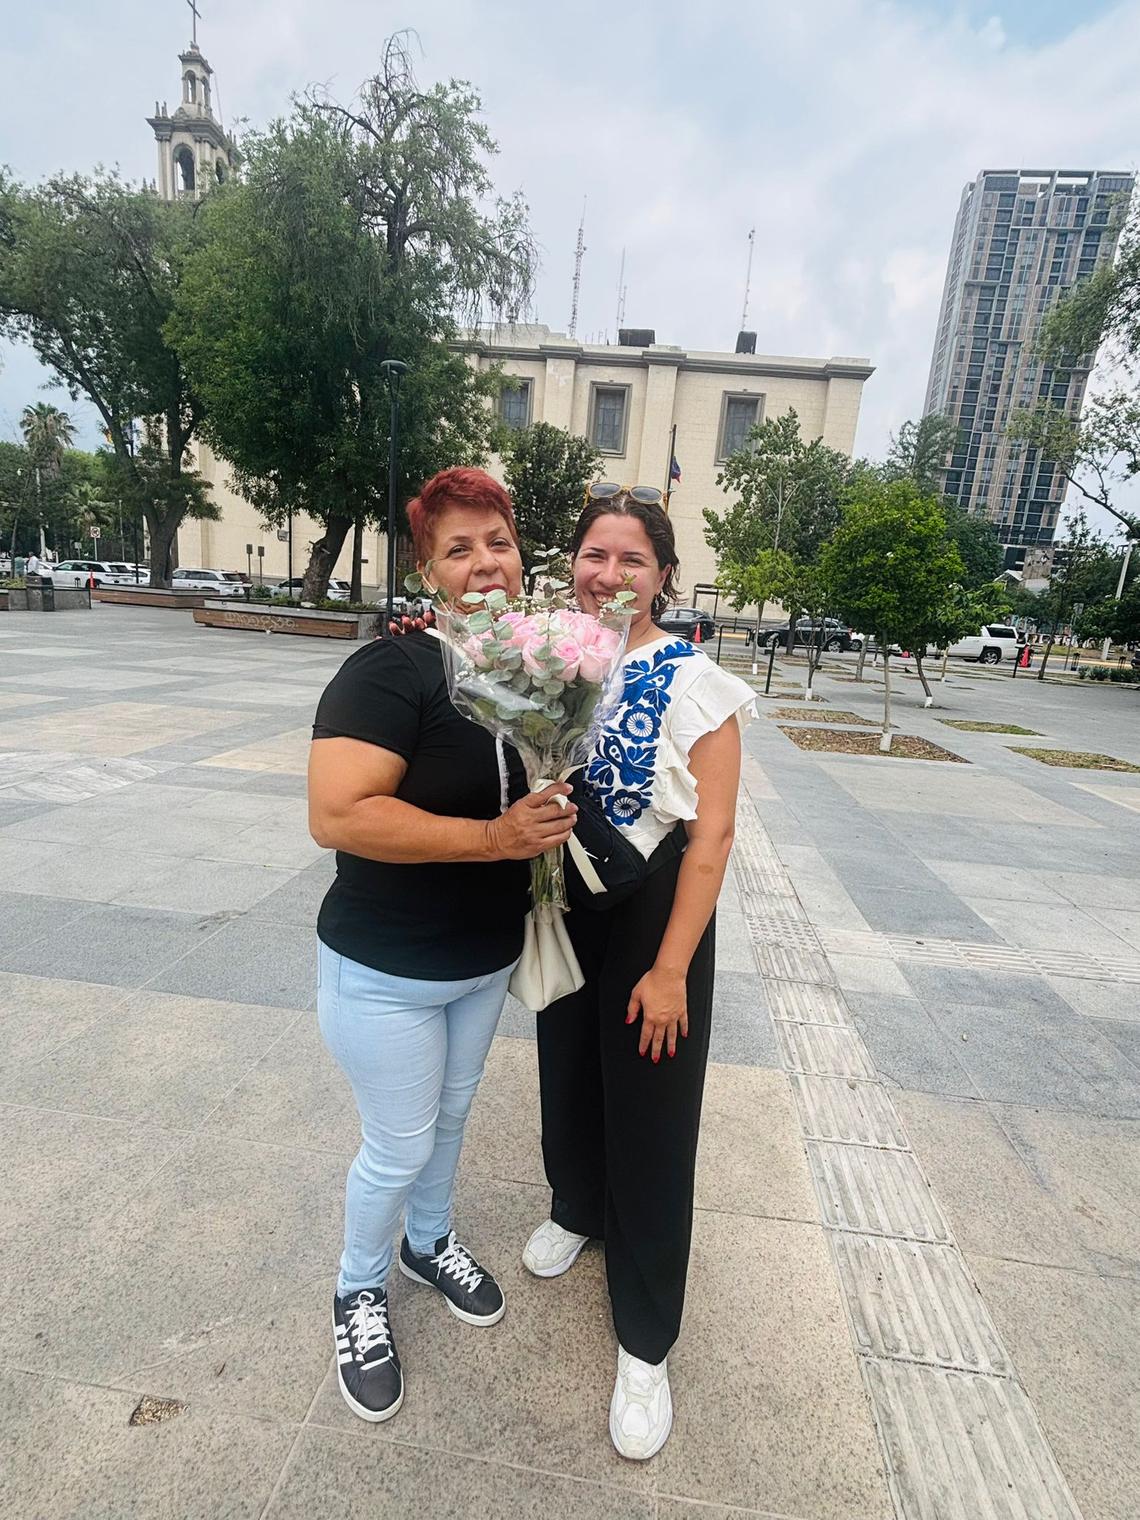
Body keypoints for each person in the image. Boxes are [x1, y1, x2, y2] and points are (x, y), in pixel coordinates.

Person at [308, 467, 576, 1425]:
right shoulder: (395, 670)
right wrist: (493, 841)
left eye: (496, 542)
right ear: (428, 570)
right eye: (457, 549)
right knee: (397, 1142)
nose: (484, 563)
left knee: (452, 1120)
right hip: (385, 969)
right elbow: (337, 814)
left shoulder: (531, 672)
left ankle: (429, 1242)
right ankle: (358, 1290)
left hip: (482, 962)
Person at [522, 485, 754, 1461]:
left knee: (653, 1108)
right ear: (572, 563)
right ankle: (577, 1203)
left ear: (663, 573)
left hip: (657, 909)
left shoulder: (699, 682)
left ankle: (646, 1341)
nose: (608, 573)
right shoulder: (555, 658)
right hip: (564, 894)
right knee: (565, 1066)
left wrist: (671, 968)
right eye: (593, 555)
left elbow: (712, 835)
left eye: (631, 558)